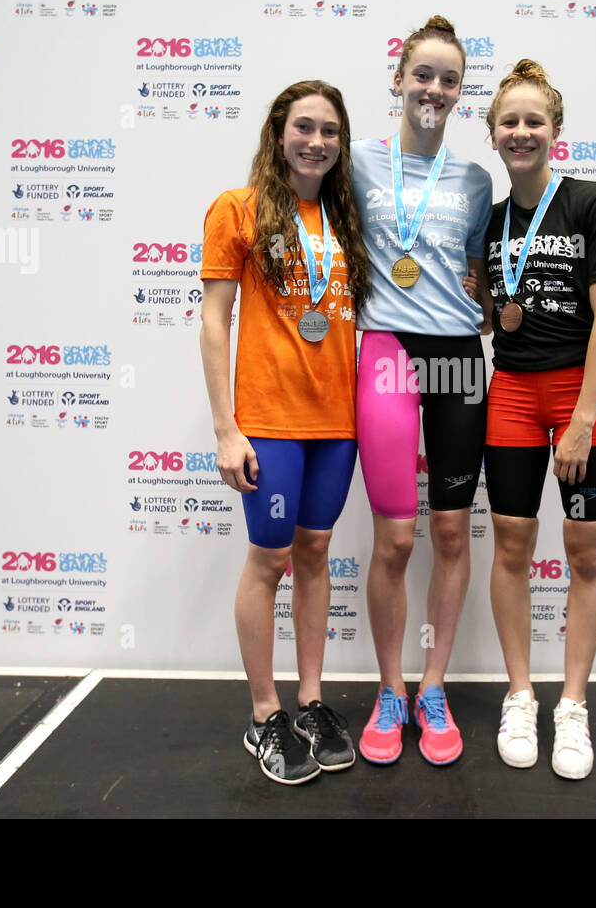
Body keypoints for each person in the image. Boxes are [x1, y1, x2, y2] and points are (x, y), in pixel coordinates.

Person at [199, 80, 371, 785]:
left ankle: (310, 701)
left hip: (338, 421)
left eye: (331, 130)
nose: (317, 141)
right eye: (304, 126)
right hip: (268, 420)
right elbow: (215, 320)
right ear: (278, 133)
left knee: (316, 553)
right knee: (268, 561)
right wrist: (224, 428)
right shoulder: (236, 210)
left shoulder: (346, 216)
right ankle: (264, 713)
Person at [479, 59, 596, 779]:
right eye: (509, 121)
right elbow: (488, 311)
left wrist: (584, 419)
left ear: (556, 130)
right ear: (493, 134)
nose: (522, 131)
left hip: (580, 396)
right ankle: (519, 694)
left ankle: (572, 706)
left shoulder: (592, 201)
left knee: (586, 553)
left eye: (534, 120)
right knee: (510, 546)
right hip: (509, 391)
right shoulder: (492, 218)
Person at [350, 16, 493, 766]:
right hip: (386, 350)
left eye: (449, 79)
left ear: (460, 93)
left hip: (459, 358)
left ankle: (432, 686)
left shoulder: (474, 180)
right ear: (399, 78)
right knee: (396, 537)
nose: (434, 89)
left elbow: (476, 275)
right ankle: (389, 689)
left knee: (449, 532)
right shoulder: (358, 163)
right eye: (423, 74)